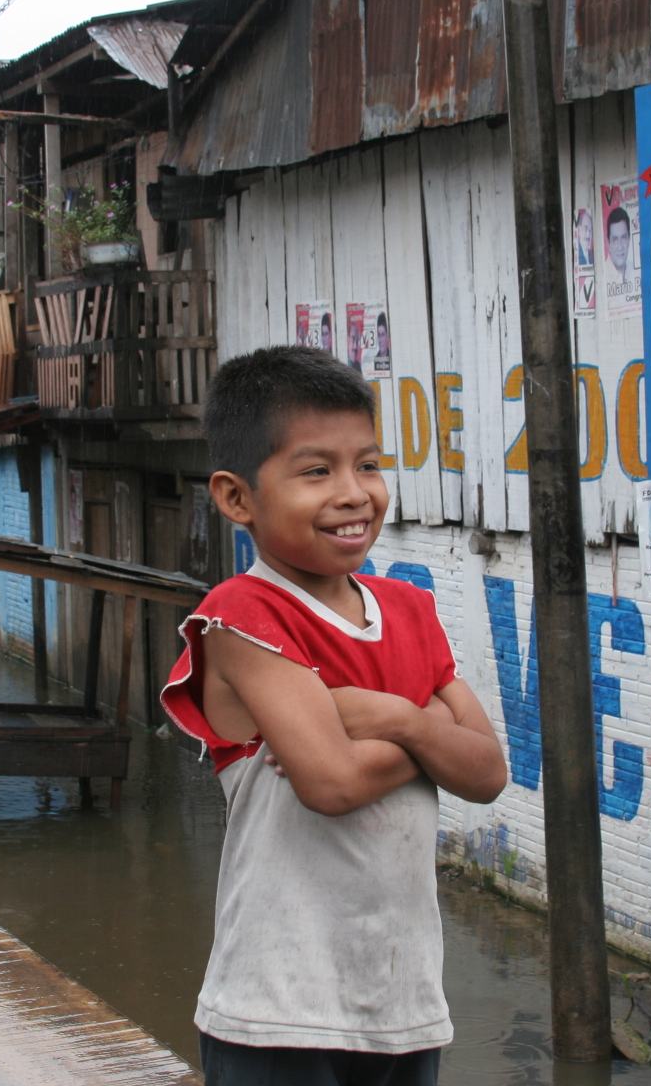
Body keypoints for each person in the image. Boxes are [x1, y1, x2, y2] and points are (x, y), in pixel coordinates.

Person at [161, 345, 508, 1086]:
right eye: (316, 471)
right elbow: (332, 782)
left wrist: (400, 721)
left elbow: (489, 773)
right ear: (236, 498)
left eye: (369, 465)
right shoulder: (241, 616)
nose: (354, 493)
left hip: (404, 1005)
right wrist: (433, 730)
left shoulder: (411, 612)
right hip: (279, 1012)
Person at [605, 206, 632, 282]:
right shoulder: (602, 274)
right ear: (608, 244)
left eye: (623, 237)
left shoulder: (635, 270)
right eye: (615, 240)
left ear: (629, 239)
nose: (620, 247)